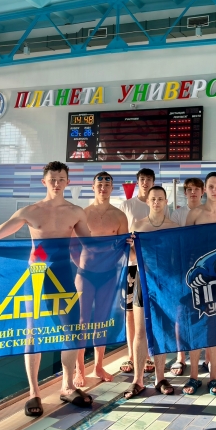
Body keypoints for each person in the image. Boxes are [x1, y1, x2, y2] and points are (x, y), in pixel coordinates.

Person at [0, 161, 93, 417]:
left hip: (63, 274)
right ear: (44, 182)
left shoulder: (76, 212)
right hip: (36, 276)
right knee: (32, 332)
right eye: (52, 179)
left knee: (71, 331)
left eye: (61, 179)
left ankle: (67, 386)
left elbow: (93, 243)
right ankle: (34, 392)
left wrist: (124, 242)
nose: (57, 183)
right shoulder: (30, 211)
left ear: (68, 182)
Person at [73, 172, 128, 387]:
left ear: (112, 188)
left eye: (107, 184)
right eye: (99, 184)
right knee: (82, 322)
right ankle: (79, 369)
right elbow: (72, 246)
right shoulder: (83, 214)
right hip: (85, 275)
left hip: (108, 275)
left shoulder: (119, 216)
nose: (103, 188)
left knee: (101, 321)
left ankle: (98, 366)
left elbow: (124, 246)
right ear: (93, 187)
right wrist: (82, 265)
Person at [123, 186, 179, 399]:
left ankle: (160, 378)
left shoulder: (173, 227)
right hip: (143, 281)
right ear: (147, 202)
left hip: (165, 283)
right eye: (153, 199)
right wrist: (130, 246)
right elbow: (132, 257)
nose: (156, 202)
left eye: (160, 199)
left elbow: (177, 258)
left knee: (162, 330)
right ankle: (137, 380)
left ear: (166, 202)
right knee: (140, 331)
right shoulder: (138, 226)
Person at [183, 171, 216, 396]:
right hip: (198, 279)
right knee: (195, 326)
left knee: (215, 327)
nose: (214, 190)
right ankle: (194, 375)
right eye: (210, 186)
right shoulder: (194, 214)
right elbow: (184, 244)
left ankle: (214, 376)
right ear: (205, 190)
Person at [118, 168, 157, 376]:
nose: (145, 182)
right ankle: (131, 355)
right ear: (137, 182)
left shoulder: (158, 205)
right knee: (130, 312)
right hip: (131, 265)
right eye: (142, 179)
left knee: (150, 312)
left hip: (151, 267)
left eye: (149, 179)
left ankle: (148, 354)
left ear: (153, 182)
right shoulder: (127, 206)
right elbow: (120, 234)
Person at [169, 178, 204, 377]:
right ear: (185, 193)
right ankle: (180, 357)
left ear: (202, 192)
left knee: (206, 312)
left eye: (196, 189)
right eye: (189, 189)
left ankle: (207, 357)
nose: (193, 192)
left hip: (204, 271)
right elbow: (173, 242)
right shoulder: (177, 214)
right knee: (180, 313)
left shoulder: (208, 212)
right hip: (182, 269)